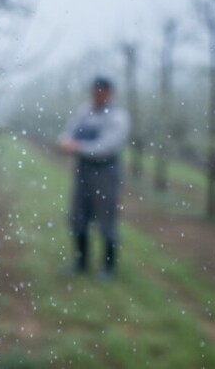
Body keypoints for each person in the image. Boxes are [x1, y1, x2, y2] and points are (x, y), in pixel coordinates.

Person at [57, 76, 130, 280]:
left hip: (105, 172)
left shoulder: (118, 117)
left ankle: (108, 267)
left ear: (109, 94)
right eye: (95, 92)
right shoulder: (84, 111)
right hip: (83, 171)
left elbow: (108, 146)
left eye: (101, 92)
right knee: (78, 216)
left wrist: (78, 147)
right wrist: (65, 141)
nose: (97, 96)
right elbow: (69, 132)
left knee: (106, 219)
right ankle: (81, 262)